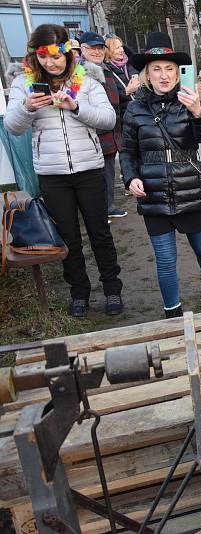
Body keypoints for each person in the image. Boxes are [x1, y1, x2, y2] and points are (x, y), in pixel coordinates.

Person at [5, 24, 123, 317]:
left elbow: (108, 119)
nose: (51, 62)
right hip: (52, 174)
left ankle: (112, 289)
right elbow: (12, 127)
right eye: (44, 56)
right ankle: (79, 292)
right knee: (68, 237)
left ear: (68, 54)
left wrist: (75, 107)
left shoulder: (87, 81)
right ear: (35, 56)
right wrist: (27, 107)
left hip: (89, 170)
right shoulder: (24, 85)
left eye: (56, 55)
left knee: (100, 234)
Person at [121, 33, 201, 318]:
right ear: (146, 75)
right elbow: (127, 151)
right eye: (156, 69)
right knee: (165, 260)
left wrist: (198, 111)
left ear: (178, 73)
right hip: (153, 194)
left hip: (189, 189)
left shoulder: (188, 101)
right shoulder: (134, 109)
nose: (163, 75)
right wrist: (130, 178)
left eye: (169, 69)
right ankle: (172, 315)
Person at [79, 31, 126, 220]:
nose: (97, 52)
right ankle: (98, 211)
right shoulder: (79, 72)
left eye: (100, 48)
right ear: (83, 49)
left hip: (112, 131)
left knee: (108, 173)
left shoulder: (107, 69)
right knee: (94, 178)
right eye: (92, 48)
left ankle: (108, 206)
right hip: (92, 133)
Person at [104, 35, 139, 119]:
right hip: (123, 117)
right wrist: (126, 92)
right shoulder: (105, 70)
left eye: (121, 47)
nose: (122, 50)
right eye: (117, 48)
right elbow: (107, 98)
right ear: (108, 51)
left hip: (139, 112)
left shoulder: (132, 64)